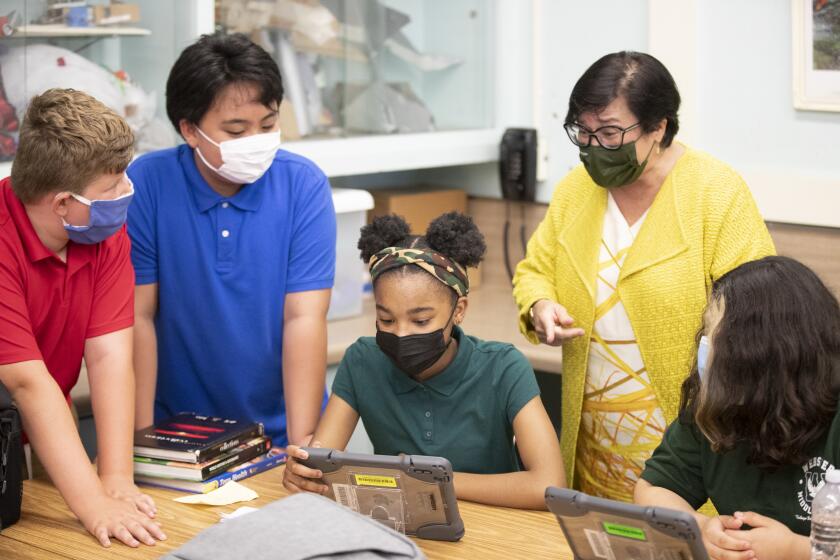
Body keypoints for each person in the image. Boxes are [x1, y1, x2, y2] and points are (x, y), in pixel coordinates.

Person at [512, 51, 776, 502]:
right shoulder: (577, 190)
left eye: (611, 132)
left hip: (694, 446)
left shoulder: (715, 192)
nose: (595, 147)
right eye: (584, 132)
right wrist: (539, 306)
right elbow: (535, 270)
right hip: (594, 439)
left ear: (660, 127)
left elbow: (759, 312)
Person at [127, 33, 336, 448]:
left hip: (280, 429)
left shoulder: (302, 185)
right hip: (179, 433)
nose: (256, 141)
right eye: (236, 129)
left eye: (269, 125)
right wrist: (139, 441)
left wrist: (304, 444)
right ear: (189, 129)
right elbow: (137, 317)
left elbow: (304, 319)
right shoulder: (147, 184)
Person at [282, 213, 565, 510]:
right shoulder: (363, 362)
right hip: (402, 526)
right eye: (386, 319)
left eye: (421, 320)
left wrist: (429, 481)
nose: (401, 334)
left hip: (495, 529)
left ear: (459, 311)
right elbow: (322, 465)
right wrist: (304, 473)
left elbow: (549, 485)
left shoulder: (504, 368)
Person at [0, 89, 166, 547]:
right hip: (22, 396)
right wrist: (93, 506)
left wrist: (114, 478)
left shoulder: (100, 229)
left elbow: (111, 357)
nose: (124, 194)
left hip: (47, 405)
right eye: (111, 187)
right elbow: (27, 382)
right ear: (60, 204)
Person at [635, 256, 840, 560]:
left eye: (719, 337)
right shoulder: (716, 406)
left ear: (767, 353)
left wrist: (796, 551)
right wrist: (701, 529)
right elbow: (653, 490)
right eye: (706, 332)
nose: (706, 346)